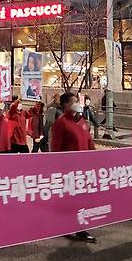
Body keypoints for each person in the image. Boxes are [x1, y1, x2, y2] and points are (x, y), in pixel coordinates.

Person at [50, 92, 97, 243]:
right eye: (74, 101)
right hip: (69, 170)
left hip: (84, 169)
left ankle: (72, 224)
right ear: (65, 105)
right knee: (74, 200)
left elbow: (89, 142)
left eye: (77, 101)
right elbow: (56, 148)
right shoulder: (61, 123)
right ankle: (79, 229)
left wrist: (96, 158)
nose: (77, 103)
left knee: (81, 199)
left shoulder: (82, 120)